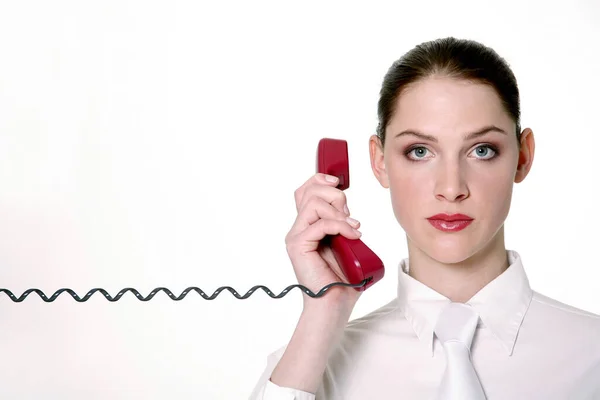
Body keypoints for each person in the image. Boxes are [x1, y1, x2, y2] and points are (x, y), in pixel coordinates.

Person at [248, 37, 600, 399]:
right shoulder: (306, 372)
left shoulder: (593, 357)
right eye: (419, 151)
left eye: (482, 150)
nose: (451, 188)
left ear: (522, 157)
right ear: (379, 162)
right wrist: (323, 313)